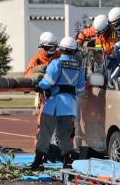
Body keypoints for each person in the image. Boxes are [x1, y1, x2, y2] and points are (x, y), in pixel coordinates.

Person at [30, 36, 85, 170]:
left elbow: (47, 82)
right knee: (64, 135)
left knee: (45, 133)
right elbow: (81, 88)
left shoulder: (56, 64)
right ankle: (68, 161)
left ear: (60, 49)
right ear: (74, 51)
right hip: (69, 106)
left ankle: (39, 162)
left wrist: (38, 86)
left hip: (53, 104)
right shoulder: (79, 67)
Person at [24, 32, 60, 148]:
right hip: (46, 97)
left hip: (61, 97)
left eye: (53, 48)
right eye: (49, 48)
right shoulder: (36, 60)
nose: (51, 51)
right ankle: (39, 155)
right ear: (42, 47)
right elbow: (28, 76)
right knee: (42, 126)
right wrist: (38, 73)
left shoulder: (59, 56)